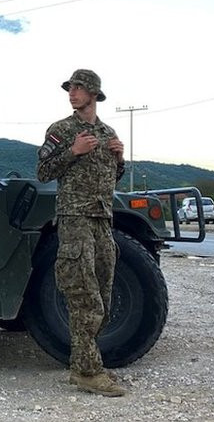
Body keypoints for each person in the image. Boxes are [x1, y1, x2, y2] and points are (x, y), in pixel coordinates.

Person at [36, 69, 128, 397]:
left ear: (93, 94)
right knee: (82, 294)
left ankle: (85, 363)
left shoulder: (107, 132)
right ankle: (88, 371)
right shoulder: (62, 130)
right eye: (70, 88)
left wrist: (119, 159)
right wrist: (72, 151)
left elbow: (110, 178)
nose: (72, 93)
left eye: (78, 88)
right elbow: (44, 170)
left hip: (102, 218)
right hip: (74, 217)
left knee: (103, 294)